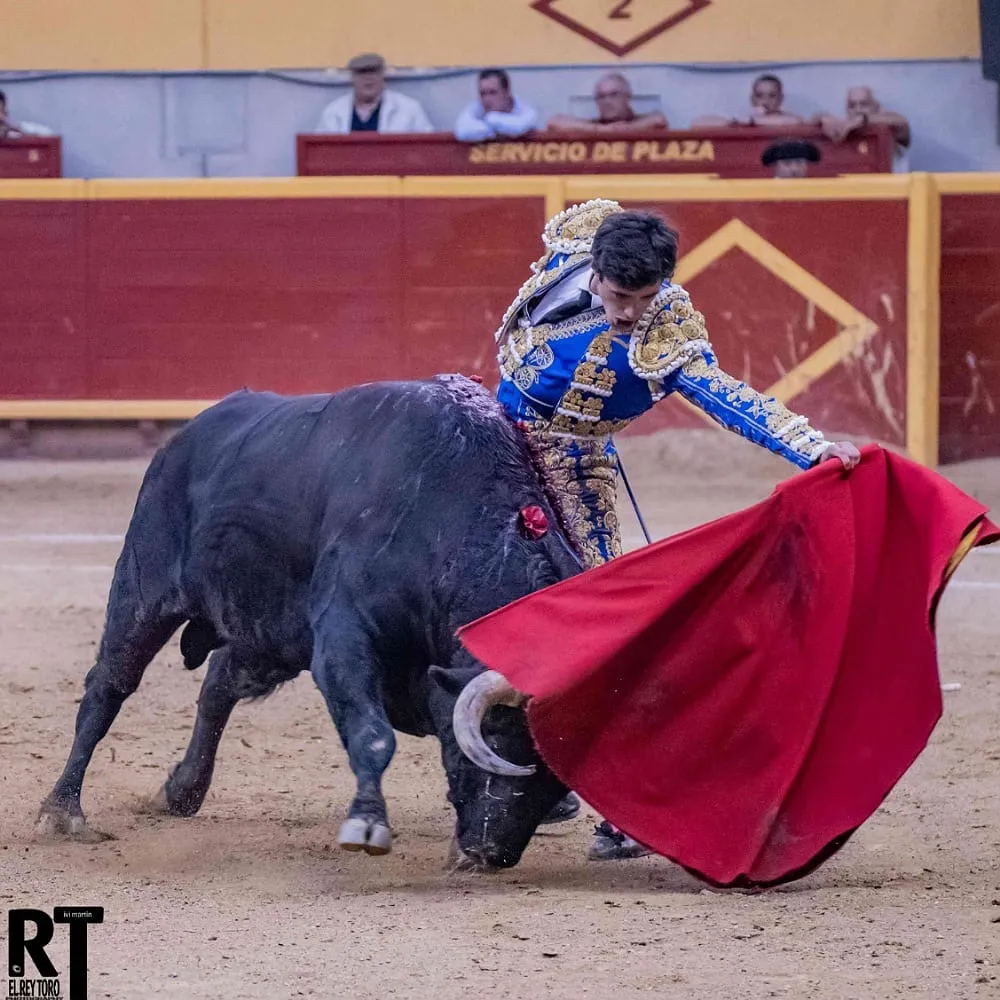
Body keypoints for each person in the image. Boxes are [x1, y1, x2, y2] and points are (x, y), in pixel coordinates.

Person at [494, 199, 860, 860]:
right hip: (487, 441)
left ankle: (623, 805)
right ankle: (537, 765)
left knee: (606, 636)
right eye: (617, 293)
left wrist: (811, 449)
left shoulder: (667, 332)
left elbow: (727, 397)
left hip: (573, 463)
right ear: (594, 269)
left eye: (644, 295)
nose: (629, 310)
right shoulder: (581, 233)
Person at [315, 53, 434, 134]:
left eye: (373, 72)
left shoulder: (409, 109)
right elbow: (319, 154)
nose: (368, 78)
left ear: (383, 75)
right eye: (362, 73)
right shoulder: (332, 113)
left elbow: (428, 151)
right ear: (352, 77)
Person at [546, 72, 668, 133]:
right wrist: (600, 129)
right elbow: (554, 122)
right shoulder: (593, 125)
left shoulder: (641, 120)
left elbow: (659, 120)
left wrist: (625, 129)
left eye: (613, 95)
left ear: (628, 97)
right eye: (601, 96)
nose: (607, 101)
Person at [813, 86, 911, 153]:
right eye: (852, 105)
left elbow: (901, 122)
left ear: (876, 107)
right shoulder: (842, 132)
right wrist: (823, 118)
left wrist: (863, 120)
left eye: (864, 104)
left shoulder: (891, 128)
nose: (858, 110)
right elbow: (810, 121)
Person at [454, 68, 538, 142]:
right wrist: (493, 131)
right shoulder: (477, 107)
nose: (487, 99)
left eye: (492, 92)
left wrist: (491, 119)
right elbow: (461, 130)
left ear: (507, 92)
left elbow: (518, 127)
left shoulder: (526, 111)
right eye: (483, 94)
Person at [693, 73, 804, 128]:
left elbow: (794, 121)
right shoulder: (742, 119)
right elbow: (697, 123)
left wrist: (751, 121)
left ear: (781, 99)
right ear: (752, 99)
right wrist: (733, 121)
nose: (766, 100)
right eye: (760, 96)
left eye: (772, 96)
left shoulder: (790, 119)